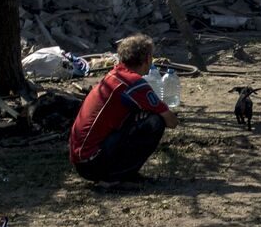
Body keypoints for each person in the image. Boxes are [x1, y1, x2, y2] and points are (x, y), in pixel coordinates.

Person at [69, 34, 179, 185]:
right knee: (155, 122)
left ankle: (121, 174)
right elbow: (171, 121)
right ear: (147, 59)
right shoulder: (134, 83)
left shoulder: (114, 74)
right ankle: (116, 177)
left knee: (142, 115)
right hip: (92, 161)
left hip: (82, 159)